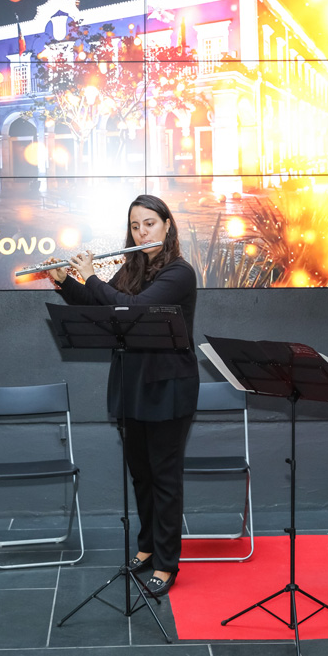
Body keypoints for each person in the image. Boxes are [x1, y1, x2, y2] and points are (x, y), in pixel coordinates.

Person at [46, 194, 199, 597]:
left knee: (164, 478)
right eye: (135, 226)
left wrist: (92, 277)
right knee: (141, 475)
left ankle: (166, 562)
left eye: (149, 224)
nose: (142, 233)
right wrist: (66, 281)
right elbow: (99, 308)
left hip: (167, 387)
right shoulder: (133, 268)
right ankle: (147, 547)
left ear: (167, 226)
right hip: (132, 384)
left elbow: (134, 309)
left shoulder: (179, 273)